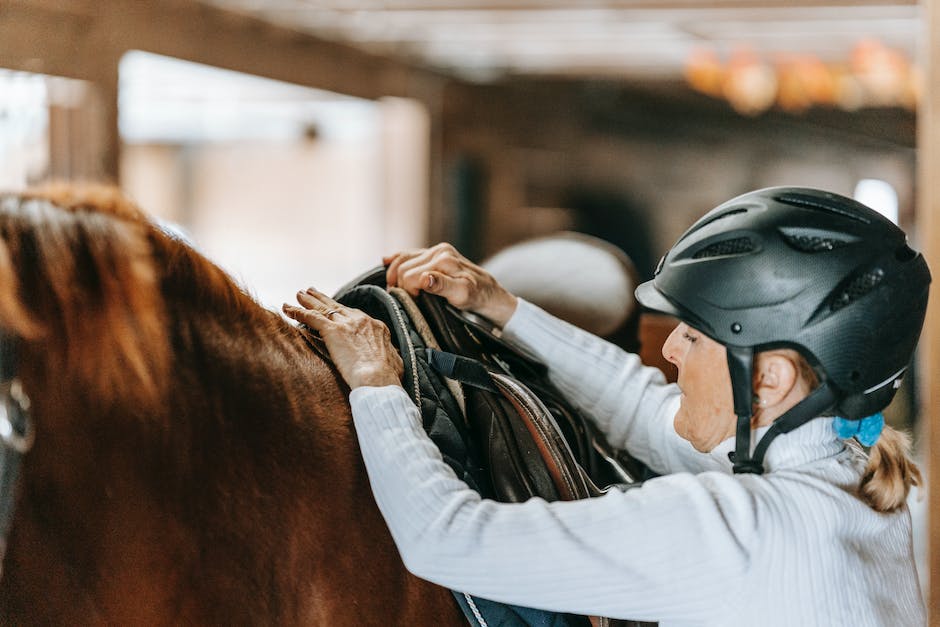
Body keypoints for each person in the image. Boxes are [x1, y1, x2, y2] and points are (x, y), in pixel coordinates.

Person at [283, 187, 928, 625]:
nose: (669, 351)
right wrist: (498, 306)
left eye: (696, 336)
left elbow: (443, 537)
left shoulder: (738, 530)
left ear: (770, 382)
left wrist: (375, 383)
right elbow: (644, 410)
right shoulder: (865, 484)